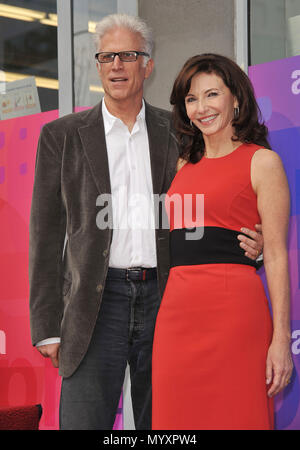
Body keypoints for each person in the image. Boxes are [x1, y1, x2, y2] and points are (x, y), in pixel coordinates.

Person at [29, 15, 263, 431]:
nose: (117, 65)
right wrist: (47, 327)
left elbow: (212, 198)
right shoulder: (61, 136)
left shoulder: (180, 131)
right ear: (98, 65)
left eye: (128, 55)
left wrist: (249, 240)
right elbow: (45, 235)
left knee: (168, 425)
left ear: (147, 65)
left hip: (169, 297)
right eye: (107, 56)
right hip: (93, 305)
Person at [152, 53, 293, 430]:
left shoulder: (262, 162)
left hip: (233, 316)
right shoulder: (183, 166)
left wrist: (281, 340)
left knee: (235, 415)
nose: (201, 108)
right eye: (191, 99)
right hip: (176, 316)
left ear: (236, 100)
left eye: (212, 94)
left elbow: (276, 255)